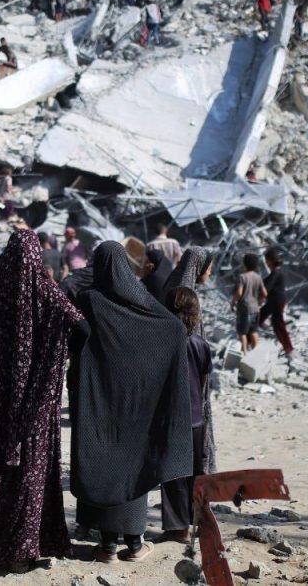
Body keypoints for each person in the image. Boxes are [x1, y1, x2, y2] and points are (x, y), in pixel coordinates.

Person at [0, 230, 85, 572]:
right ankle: (21, 551)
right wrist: (57, 359)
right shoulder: (45, 290)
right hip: (34, 404)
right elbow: (81, 326)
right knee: (29, 474)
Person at [71, 241, 192, 563]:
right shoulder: (143, 302)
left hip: (101, 402)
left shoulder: (90, 300)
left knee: (105, 466)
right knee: (134, 466)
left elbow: (75, 338)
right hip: (139, 405)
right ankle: (135, 544)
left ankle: (107, 546)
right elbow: (171, 327)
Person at [160, 286, 212, 543]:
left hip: (170, 419)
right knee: (197, 473)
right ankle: (201, 523)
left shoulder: (161, 343)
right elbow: (203, 380)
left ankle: (180, 528)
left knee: (173, 474)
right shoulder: (201, 344)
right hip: (196, 419)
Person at [259, 247, 294, 360]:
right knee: (262, 319)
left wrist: (259, 298)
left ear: (270, 260)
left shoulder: (276, 272)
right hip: (274, 301)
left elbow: (266, 288)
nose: (266, 263)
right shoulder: (276, 272)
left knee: (278, 325)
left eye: (266, 260)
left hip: (276, 301)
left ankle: (289, 349)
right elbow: (265, 282)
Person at [232, 253, 266, 353]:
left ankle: (244, 352)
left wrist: (233, 301)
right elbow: (264, 293)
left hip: (244, 308)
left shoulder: (242, 277)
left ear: (244, 264)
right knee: (253, 331)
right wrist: (257, 301)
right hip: (255, 309)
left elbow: (239, 293)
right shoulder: (258, 277)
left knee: (242, 332)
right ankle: (255, 354)